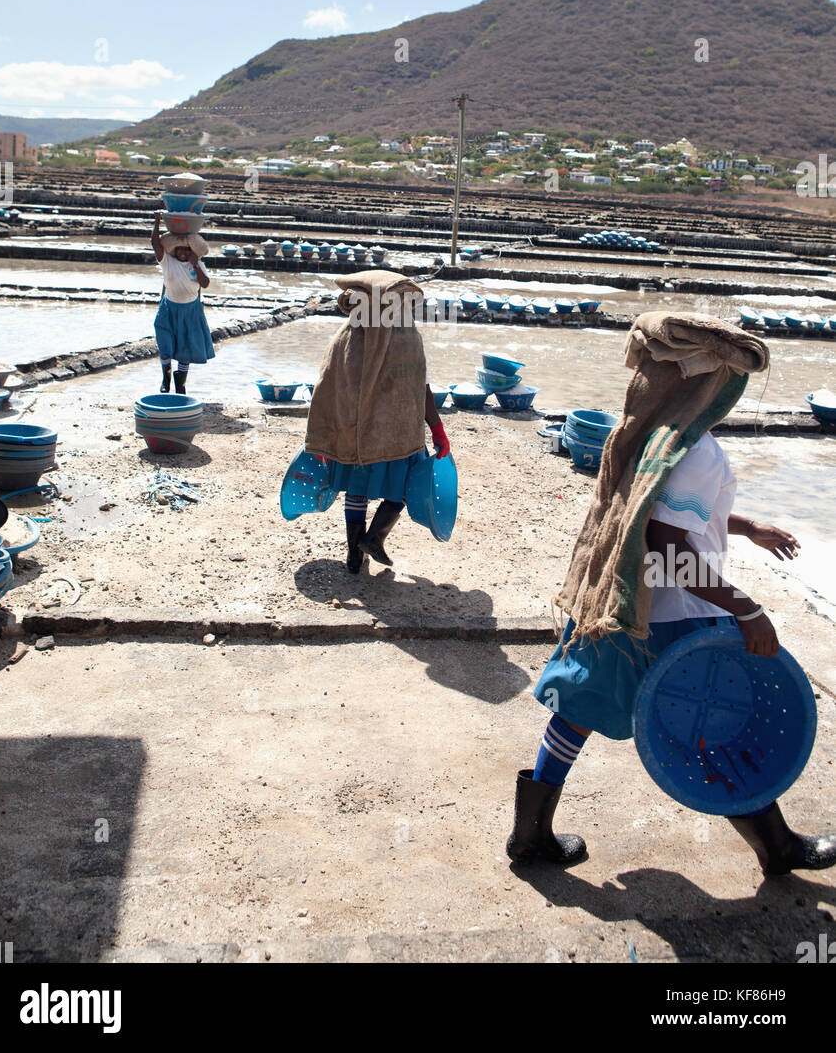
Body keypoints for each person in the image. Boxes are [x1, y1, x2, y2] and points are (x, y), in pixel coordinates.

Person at [507, 311, 836, 877]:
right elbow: (667, 543)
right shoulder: (697, 451)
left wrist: (746, 525)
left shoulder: (644, 430)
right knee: (714, 718)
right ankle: (777, 845)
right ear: (710, 384)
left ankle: (529, 833)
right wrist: (747, 609)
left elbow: (655, 517)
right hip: (680, 616)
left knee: (579, 706)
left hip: (620, 598)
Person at [304, 269, 450, 573]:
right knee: (402, 489)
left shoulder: (346, 336)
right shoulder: (405, 337)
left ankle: (354, 554)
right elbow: (420, 387)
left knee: (357, 490)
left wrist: (321, 435)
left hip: (354, 434)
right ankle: (373, 539)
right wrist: (437, 429)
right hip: (397, 438)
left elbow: (326, 387)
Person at [151, 212, 214, 394]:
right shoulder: (167, 261)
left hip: (190, 310)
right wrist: (157, 222)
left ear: (192, 252)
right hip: (169, 308)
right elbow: (155, 244)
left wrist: (195, 264)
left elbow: (206, 284)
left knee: (186, 347)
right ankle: (166, 378)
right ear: (174, 250)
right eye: (180, 249)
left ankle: (181, 384)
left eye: (187, 250)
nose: (183, 253)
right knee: (165, 344)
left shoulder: (198, 265)